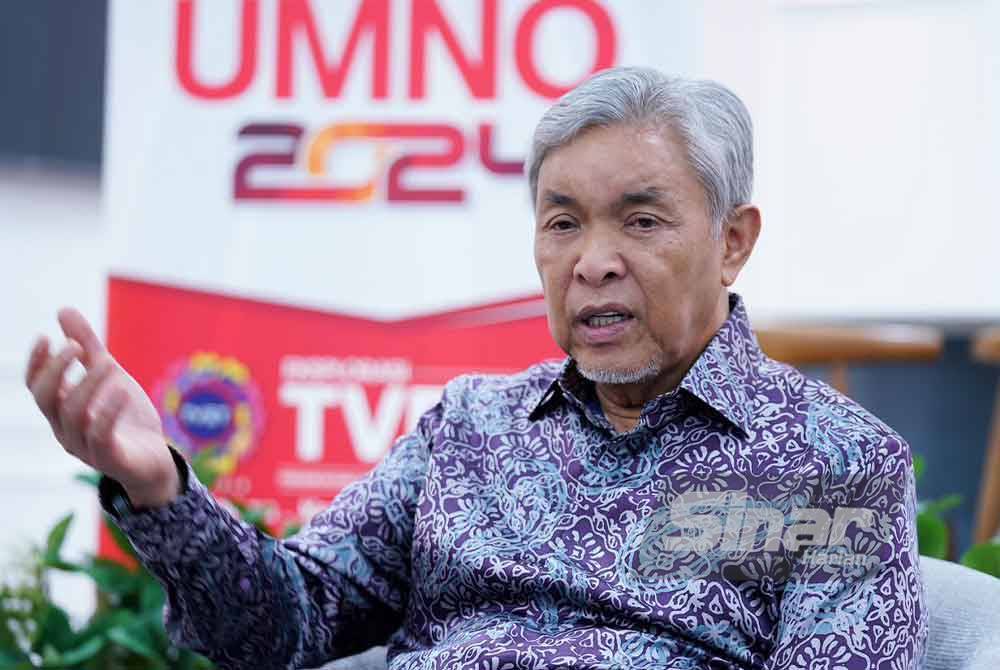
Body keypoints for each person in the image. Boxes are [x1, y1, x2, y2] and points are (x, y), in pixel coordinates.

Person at [24, 66, 927, 670]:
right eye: (562, 221)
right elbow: (284, 625)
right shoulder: (471, 426)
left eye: (642, 221)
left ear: (733, 242)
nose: (593, 261)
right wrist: (159, 489)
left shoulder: (836, 466)